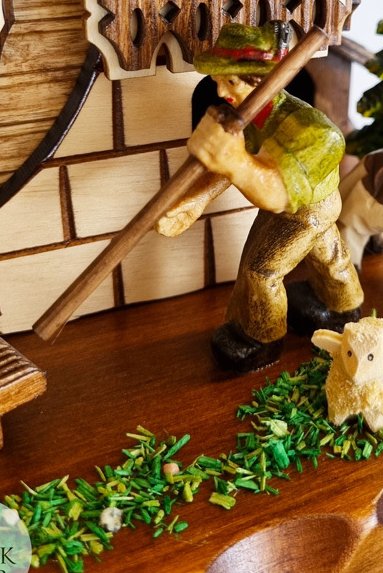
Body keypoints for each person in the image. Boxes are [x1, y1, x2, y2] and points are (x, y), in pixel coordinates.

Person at [156, 21, 364, 373]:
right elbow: (227, 167)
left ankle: (260, 338)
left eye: (231, 82)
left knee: (260, 269)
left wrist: (234, 160)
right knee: (328, 254)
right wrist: (193, 202)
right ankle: (342, 307)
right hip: (299, 208)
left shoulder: (316, 133)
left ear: (261, 81)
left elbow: (276, 194)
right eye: (218, 81)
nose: (220, 92)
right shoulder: (254, 118)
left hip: (306, 208)